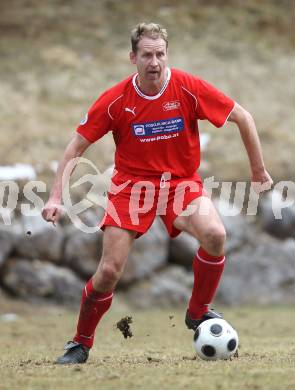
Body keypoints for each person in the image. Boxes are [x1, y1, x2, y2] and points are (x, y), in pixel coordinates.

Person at [42, 22, 273, 364]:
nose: (155, 62)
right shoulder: (116, 100)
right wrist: (55, 196)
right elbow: (75, 146)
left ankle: (198, 313)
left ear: (168, 55)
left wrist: (258, 170)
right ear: (133, 57)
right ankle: (80, 342)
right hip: (131, 188)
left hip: (180, 183)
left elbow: (244, 117)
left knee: (215, 234)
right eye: (147, 55)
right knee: (108, 272)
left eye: (160, 54)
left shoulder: (188, 88)